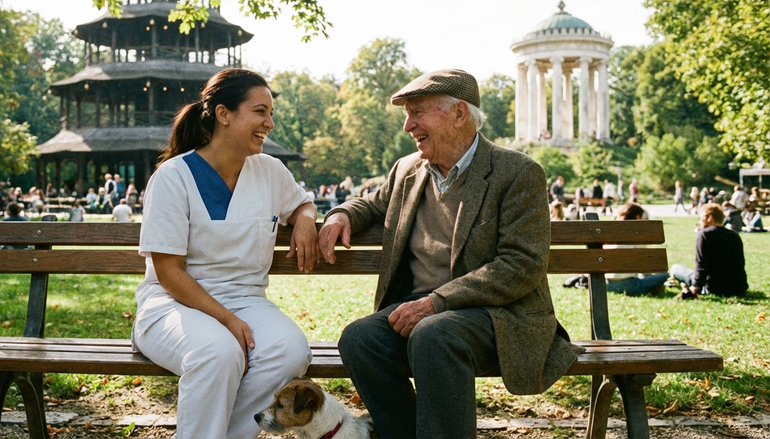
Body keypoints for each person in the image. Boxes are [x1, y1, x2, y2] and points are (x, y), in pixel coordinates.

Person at [318, 69, 582, 439]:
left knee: (434, 333)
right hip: (422, 311)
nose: (408, 126)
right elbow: (373, 204)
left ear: (459, 113)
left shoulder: (517, 172)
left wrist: (438, 302)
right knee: (360, 340)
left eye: (418, 113)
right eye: (407, 115)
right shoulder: (408, 170)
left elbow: (521, 265)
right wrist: (341, 214)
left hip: (497, 316)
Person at [132, 69, 320, 439]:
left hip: (247, 302)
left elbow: (302, 203)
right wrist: (227, 320)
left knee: (291, 351)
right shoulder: (173, 177)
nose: (269, 123)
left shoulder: (270, 171)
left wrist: (305, 218)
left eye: (270, 114)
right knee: (219, 351)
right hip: (172, 305)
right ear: (224, 114)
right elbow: (169, 273)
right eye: (260, 112)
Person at [670, 203, 749, 299]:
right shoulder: (734, 235)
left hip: (713, 287)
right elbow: (739, 263)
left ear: (709, 217)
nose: (700, 221)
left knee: (676, 268)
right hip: (738, 288)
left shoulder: (704, 234)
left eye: (701, 218)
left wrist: (696, 286)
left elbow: (701, 265)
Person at [604, 203, 669, 296]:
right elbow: (644, 268)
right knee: (665, 275)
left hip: (607, 284)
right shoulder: (637, 235)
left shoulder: (610, 233)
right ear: (638, 216)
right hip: (631, 286)